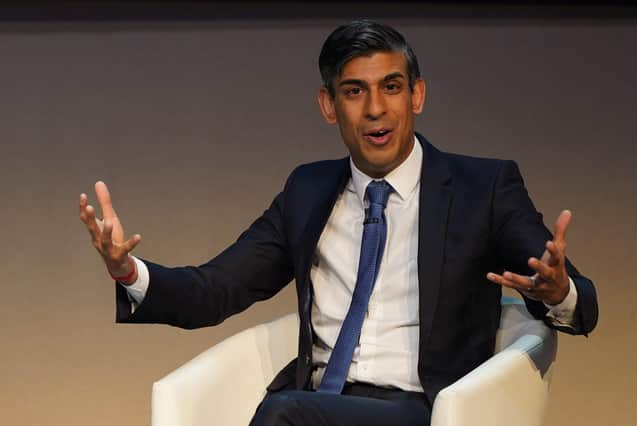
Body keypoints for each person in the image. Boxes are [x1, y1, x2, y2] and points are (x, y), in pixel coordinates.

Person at [79, 20, 598, 425]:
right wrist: (129, 273)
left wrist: (554, 291)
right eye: (354, 92)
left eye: (391, 87)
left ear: (416, 95)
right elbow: (215, 289)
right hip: (320, 403)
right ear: (329, 105)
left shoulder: (481, 188)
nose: (376, 109)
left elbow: (582, 302)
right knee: (290, 411)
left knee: (285, 414)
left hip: (423, 408)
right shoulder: (308, 190)